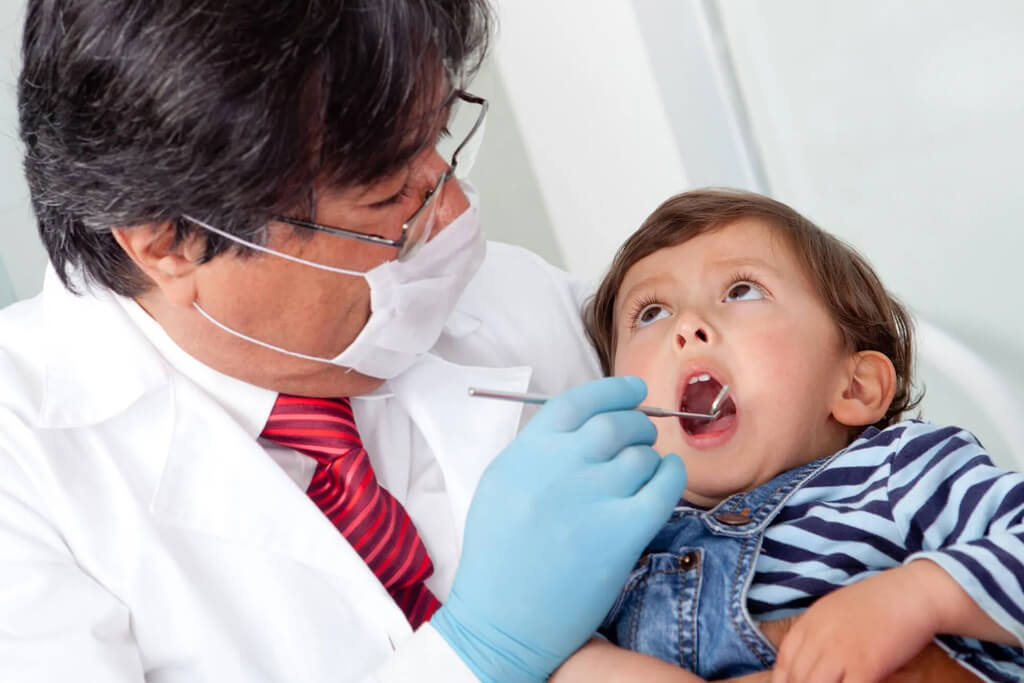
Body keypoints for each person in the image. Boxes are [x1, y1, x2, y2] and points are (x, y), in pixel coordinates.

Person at [0, 2, 690, 681]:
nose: (451, 214)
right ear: (169, 243)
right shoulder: (24, 474)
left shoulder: (506, 294)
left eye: (440, 140)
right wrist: (477, 654)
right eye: (389, 198)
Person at [554, 189, 1024, 682]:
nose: (688, 325)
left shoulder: (899, 471)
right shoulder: (617, 543)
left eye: (741, 291)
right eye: (651, 313)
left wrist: (919, 597)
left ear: (855, 387)